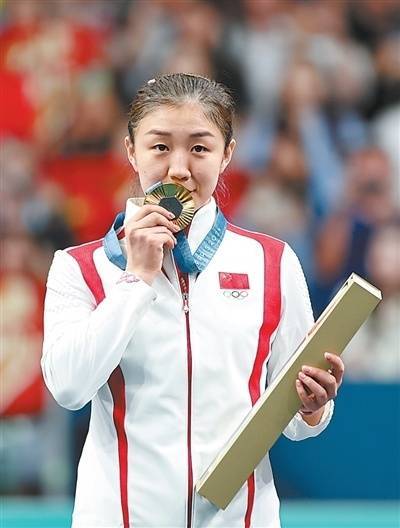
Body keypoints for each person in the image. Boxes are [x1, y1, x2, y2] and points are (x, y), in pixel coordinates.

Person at [41, 73, 344, 528]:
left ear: (227, 154)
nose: (179, 168)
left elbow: (295, 423)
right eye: (160, 147)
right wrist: (136, 279)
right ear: (131, 151)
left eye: (200, 148)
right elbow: (68, 388)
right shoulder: (79, 267)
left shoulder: (273, 263)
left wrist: (312, 406)